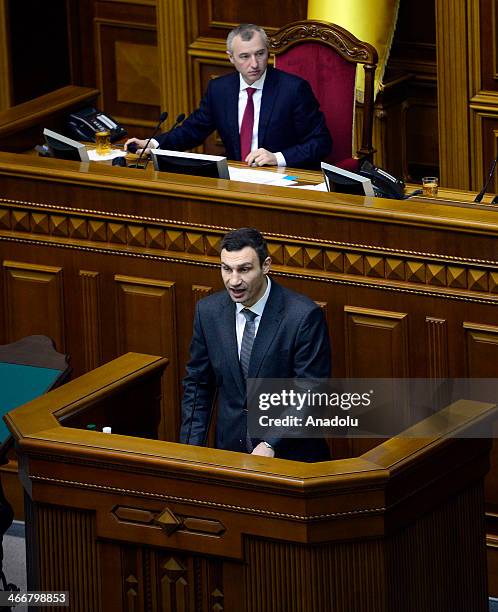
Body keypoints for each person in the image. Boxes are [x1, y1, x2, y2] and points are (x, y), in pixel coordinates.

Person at [180, 227, 331, 462]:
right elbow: (198, 385)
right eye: (226, 269)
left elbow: (311, 390)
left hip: (290, 456)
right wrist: (189, 452)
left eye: (244, 270)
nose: (234, 281)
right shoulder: (208, 312)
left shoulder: (302, 316)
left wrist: (271, 442)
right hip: (230, 453)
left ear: (266, 266)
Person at [125, 24, 332, 169]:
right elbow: (192, 131)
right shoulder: (220, 90)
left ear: (268, 52)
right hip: (236, 177)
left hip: (281, 178)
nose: (254, 63)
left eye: (260, 54)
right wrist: (152, 144)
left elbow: (320, 142)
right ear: (231, 58)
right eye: (244, 56)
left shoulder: (293, 89)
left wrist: (276, 158)